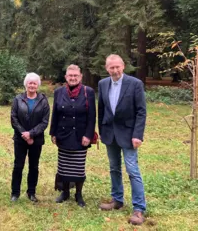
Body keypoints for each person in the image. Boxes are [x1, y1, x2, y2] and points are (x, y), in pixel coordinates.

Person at [98, 54, 147, 225]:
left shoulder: (135, 84)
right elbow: (102, 110)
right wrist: (102, 131)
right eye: (111, 67)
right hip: (110, 134)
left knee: (132, 170)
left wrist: (137, 135)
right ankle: (117, 200)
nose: (115, 70)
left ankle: (139, 209)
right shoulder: (103, 84)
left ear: (123, 66)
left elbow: (141, 111)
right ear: (107, 68)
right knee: (114, 168)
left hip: (128, 134)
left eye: (117, 66)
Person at [49, 64, 96, 207]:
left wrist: (88, 135)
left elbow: (92, 116)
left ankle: (78, 194)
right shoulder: (59, 92)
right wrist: (53, 133)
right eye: (70, 76)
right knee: (63, 166)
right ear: (66, 77)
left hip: (80, 136)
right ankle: (65, 193)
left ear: (80, 77)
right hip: (63, 134)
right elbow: (55, 114)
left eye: (76, 75)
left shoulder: (88, 92)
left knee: (78, 167)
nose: (73, 78)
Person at [10, 73, 50, 203]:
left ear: (38, 85)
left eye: (34, 83)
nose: (32, 85)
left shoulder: (43, 101)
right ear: (26, 84)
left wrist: (31, 134)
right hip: (20, 138)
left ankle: (31, 192)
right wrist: (24, 134)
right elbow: (14, 119)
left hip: (36, 139)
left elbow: (44, 122)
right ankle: (15, 193)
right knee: (18, 166)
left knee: (34, 166)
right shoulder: (17, 99)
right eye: (30, 83)